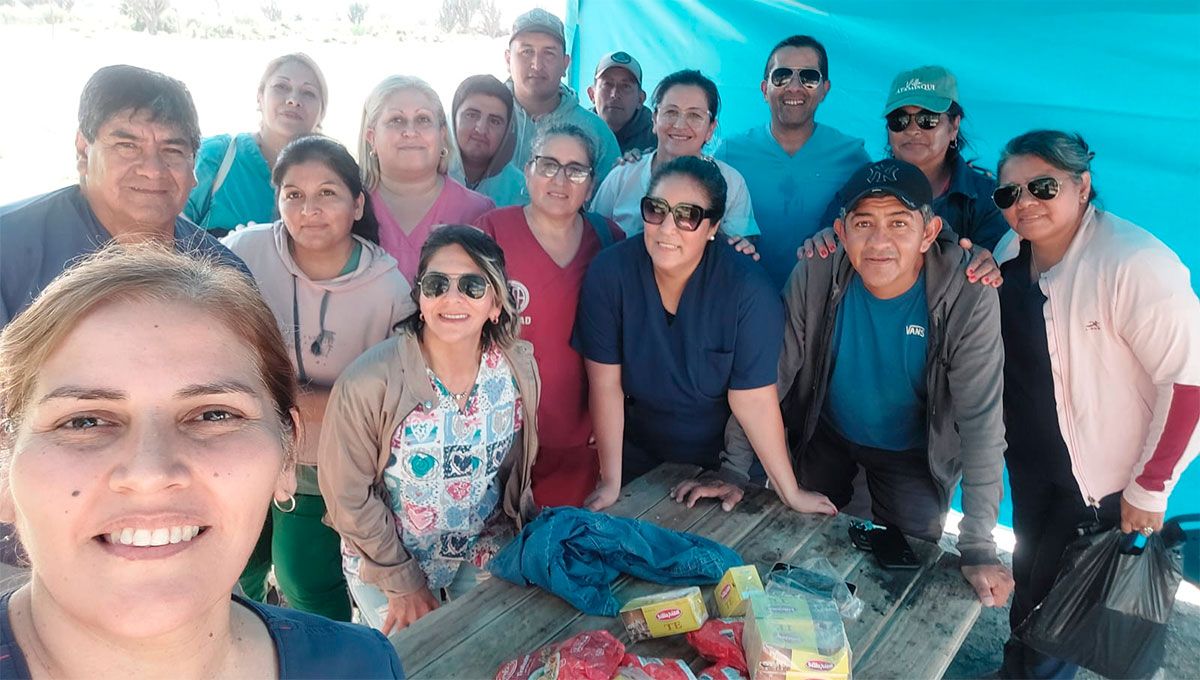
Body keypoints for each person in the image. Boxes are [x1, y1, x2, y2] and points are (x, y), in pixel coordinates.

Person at [0, 245, 403, 679]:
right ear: (5, 467)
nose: (150, 474)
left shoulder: (362, 666)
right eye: (84, 421)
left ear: (288, 454)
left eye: (214, 415)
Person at [689, 159, 1015, 608]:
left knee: (904, 573)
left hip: (913, 450)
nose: (879, 241)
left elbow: (981, 420)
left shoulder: (968, 290)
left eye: (899, 223)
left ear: (928, 232)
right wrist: (734, 470)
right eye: (863, 223)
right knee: (793, 545)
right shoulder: (818, 270)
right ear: (841, 231)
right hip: (827, 432)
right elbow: (770, 376)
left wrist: (978, 545)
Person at [993, 131, 1200, 679]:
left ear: (1082, 186)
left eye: (1043, 187)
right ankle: (1014, 670)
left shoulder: (1134, 263)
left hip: (1102, 481)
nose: (1025, 202)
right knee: (1029, 578)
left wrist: (1151, 486)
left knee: (1061, 608)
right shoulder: (1009, 254)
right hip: (1034, 464)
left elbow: (1190, 385)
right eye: (1009, 193)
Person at [573, 155, 836, 517]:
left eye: (688, 215)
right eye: (656, 210)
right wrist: (610, 481)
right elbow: (606, 385)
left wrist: (790, 492)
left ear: (713, 227)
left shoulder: (748, 292)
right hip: (638, 455)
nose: (667, 228)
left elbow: (755, 402)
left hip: (721, 467)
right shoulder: (611, 273)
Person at [222, 136, 414, 621]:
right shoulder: (245, 252)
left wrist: (277, 395)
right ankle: (248, 629)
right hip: (244, 439)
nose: (309, 209)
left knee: (303, 577)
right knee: (238, 561)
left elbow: (389, 397)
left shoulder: (389, 288)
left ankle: (328, 649)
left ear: (357, 205)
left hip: (325, 459)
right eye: (294, 194)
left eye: (327, 193)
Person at [318, 226, 540, 634]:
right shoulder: (369, 382)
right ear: (420, 297)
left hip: (480, 544)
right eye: (437, 284)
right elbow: (347, 496)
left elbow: (512, 471)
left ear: (496, 303)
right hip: (389, 561)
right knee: (412, 660)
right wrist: (403, 583)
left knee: (485, 651)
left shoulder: (516, 370)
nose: (452, 298)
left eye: (472, 286)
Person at [0, 64, 246, 328]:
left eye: (172, 150)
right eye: (127, 146)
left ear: (193, 166)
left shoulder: (224, 272)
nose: (153, 170)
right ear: (83, 151)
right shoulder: (9, 249)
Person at [476, 124, 624, 508]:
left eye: (576, 170)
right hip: (504, 439)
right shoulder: (491, 232)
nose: (560, 179)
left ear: (591, 185)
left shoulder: (608, 239)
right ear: (527, 171)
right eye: (548, 165)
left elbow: (627, 339)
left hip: (583, 441)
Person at [804, 65, 1011, 270]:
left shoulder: (988, 199)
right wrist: (824, 241)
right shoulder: (861, 184)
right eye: (899, 120)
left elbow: (1000, 272)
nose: (913, 130)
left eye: (927, 119)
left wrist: (985, 264)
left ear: (954, 126)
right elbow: (825, 255)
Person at [714, 35, 870, 288]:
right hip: (740, 298)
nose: (794, 87)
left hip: (825, 303)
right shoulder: (729, 153)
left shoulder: (853, 156)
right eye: (782, 76)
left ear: (824, 89)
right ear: (765, 89)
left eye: (809, 77)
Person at [592, 70, 759, 239]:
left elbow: (740, 246)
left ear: (710, 128)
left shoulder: (731, 183)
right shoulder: (622, 177)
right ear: (655, 119)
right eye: (671, 112)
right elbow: (593, 235)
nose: (679, 125)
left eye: (694, 115)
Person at [359, 76, 495, 282]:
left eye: (423, 119)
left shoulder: (478, 211)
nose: (410, 132)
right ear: (371, 138)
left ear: (442, 135)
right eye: (396, 120)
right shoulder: (350, 208)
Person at [186, 53, 328, 236]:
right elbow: (170, 230)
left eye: (308, 92)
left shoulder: (334, 178)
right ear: (260, 97)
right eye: (281, 87)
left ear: (322, 112)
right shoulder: (217, 155)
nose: (293, 100)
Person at [504, 8, 620, 185]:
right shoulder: (483, 118)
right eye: (526, 51)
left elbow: (612, 196)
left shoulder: (596, 133)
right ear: (508, 59)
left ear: (565, 64)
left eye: (549, 53)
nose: (537, 65)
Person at [448, 74, 527, 208]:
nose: (481, 129)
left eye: (494, 121)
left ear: (507, 131)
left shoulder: (521, 190)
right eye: (471, 115)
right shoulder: (428, 173)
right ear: (453, 118)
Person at [587, 51, 657, 154]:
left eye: (625, 86)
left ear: (640, 99)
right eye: (607, 84)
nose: (614, 94)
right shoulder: (578, 129)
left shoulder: (657, 137)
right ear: (592, 94)